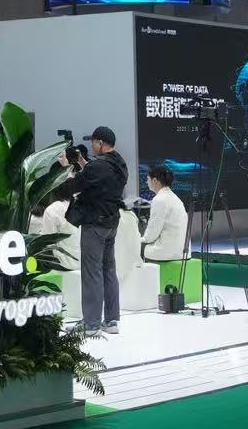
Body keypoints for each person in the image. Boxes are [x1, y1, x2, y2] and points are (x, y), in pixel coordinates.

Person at [58, 126, 128, 336]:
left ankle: (91, 324)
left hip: (94, 225)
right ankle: (112, 320)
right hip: (111, 224)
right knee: (109, 270)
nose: (91, 146)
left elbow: (73, 186)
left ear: (101, 143)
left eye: (93, 142)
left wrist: (65, 167)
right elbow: (99, 179)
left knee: (92, 272)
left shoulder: (97, 166)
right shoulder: (120, 164)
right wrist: (82, 163)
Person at [141, 166, 187, 264]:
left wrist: (140, 239)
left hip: (168, 251)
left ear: (155, 180)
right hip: (182, 249)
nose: (146, 182)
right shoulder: (175, 198)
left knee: (139, 247)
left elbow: (152, 233)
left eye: (147, 179)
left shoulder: (159, 199)